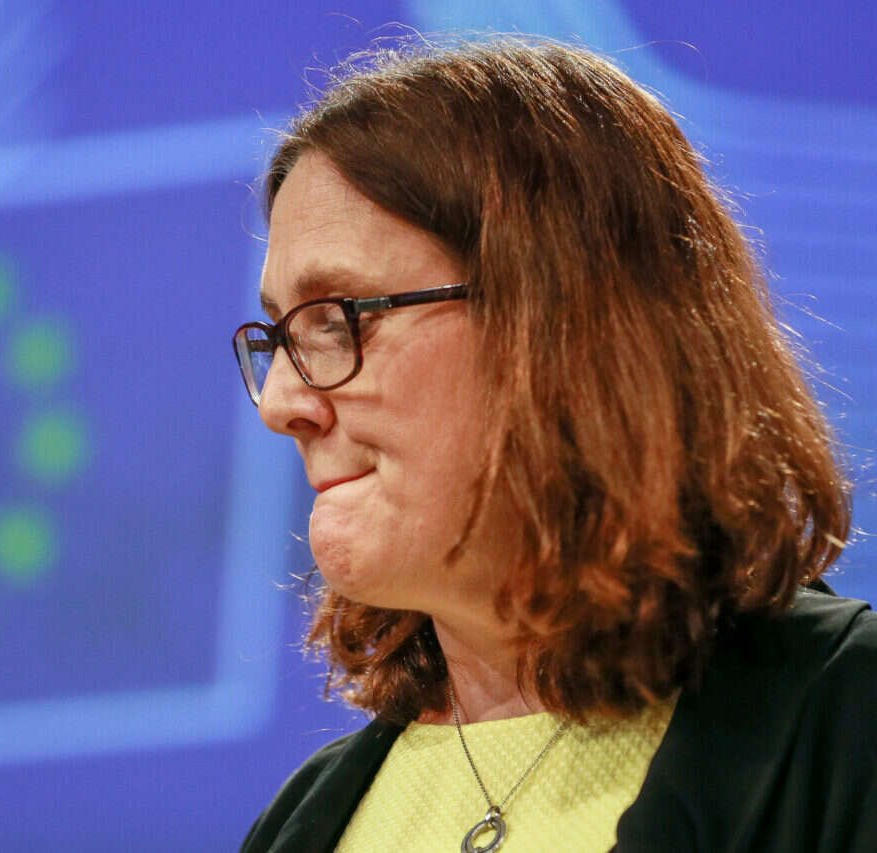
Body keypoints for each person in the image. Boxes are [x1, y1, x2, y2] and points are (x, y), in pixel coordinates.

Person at [232, 36, 876, 853]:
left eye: (336, 321)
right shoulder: (300, 824)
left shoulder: (844, 724)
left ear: (560, 324)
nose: (281, 405)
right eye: (281, 338)